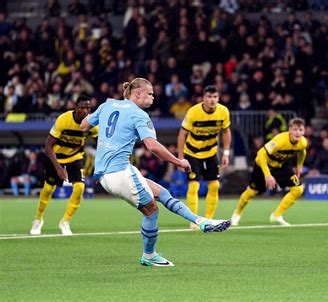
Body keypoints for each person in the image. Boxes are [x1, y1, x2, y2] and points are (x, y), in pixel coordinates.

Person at [80, 78, 230, 267]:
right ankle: (149, 256)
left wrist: (106, 115)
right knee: (151, 211)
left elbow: (83, 126)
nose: (153, 97)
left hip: (104, 175)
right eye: (150, 93)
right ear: (137, 94)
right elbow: (152, 146)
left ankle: (201, 222)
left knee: (162, 193)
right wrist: (178, 161)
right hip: (120, 173)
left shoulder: (107, 105)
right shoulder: (139, 115)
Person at [29, 95, 98, 236]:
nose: (85, 111)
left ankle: (65, 221)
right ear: (75, 107)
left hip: (75, 157)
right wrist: (58, 168)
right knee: (48, 189)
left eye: (88, 108)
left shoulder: (92, 123)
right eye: (82, 107)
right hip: (56, 158)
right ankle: (38, 219)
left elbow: (100, 144)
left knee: (80, 187)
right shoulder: (63, 119)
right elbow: (48, 146)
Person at [231, 118, 307, 226]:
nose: (298, 133)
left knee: (298, 189)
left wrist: (299, 166)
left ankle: (277, 215)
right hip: (263, 164)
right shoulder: (280, 140)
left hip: (281, 165)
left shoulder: (303, 142)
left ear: (304, 131)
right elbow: (261, 154)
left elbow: (302, 152)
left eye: (300, 130)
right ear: (290, 130)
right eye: (295, 130)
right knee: (252, 192)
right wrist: (267, 175)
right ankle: (237, 213)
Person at [177, 85, 232, 229]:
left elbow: (226, 132)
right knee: (194, 186)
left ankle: (209, 218)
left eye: (215, 97)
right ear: (203, 98)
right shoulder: (193, 112)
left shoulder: (223, 111)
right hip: (192, 153)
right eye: (209, 97)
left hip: (211, 153)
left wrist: (225, 153)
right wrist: (181, 157)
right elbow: (182, 134)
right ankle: (194, 220)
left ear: (218, 98)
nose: (212, 100)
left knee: (214, 185)